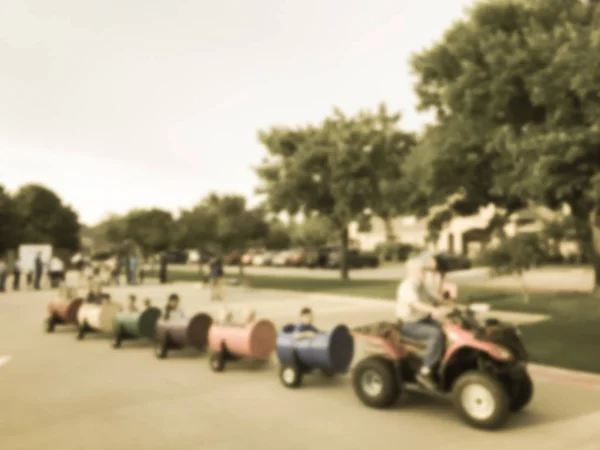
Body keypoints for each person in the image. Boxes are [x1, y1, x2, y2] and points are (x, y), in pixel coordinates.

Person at [396, 255, 454, 390]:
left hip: (424, 320)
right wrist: (434, 310)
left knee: (451, 328)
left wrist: (451, 305)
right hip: (409, 324)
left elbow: (434, 298)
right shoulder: (407, 286)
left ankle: (442, 362)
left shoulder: (421, 285)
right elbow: (416, 304)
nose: (425, 273)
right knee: (436, 334)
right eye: (422, 270)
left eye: (424, 270)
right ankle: (425, 372)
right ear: (413, 271)